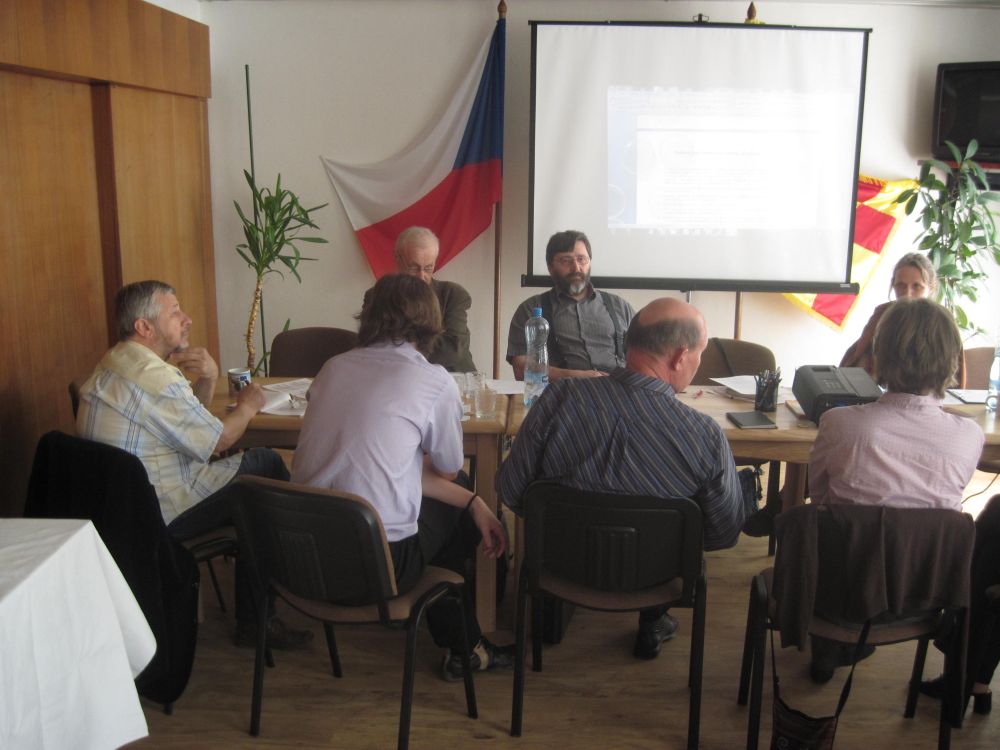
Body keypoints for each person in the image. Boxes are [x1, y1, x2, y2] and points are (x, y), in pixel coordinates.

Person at [498, 297, 755, 660]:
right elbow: (723, 534)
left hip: (559, 570)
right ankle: (653, 620)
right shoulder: (704, 436)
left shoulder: (557, 399)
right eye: (699, 354)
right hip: (656, 579)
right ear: (680, 357)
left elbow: (511, 491)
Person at [293, 273, 511, 680]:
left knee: (455, 501)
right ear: (431, 320)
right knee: (459, 501)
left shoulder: (332, 368)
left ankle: (461, 637)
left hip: (302, 560)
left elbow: (377, 465)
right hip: (378, 569)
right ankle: (464, 642)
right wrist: (473, 502)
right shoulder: (433, 380)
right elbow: (447, 470)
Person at [77, 280, 309, 648]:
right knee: (264, 467)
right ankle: (284, 594)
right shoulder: (157, 379)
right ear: (144, 327)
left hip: (120, 515)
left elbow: (189, 432)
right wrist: (248, 406)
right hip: (160, 513)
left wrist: (210, 378)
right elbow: (218, 441)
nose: (186, 319)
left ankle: (261, 609)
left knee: (254, 489)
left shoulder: (114, 363)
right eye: (174, 312)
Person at [807, 297, 984, 682]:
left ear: (879, 355)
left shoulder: (839, 423)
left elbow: (817, 496)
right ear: (951, 359)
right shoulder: (969, 436)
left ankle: (829, 648)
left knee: (827, 532)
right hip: (921, 597)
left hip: (835, 593)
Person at [506, 230, 635, 380]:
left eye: (582, 259)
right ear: (550, 267)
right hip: (562, 391)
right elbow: (520, 369)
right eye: (566, 261)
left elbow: (647, 357)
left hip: (618, 389)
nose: (576, 268)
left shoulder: (620, 307)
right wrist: (574, 376)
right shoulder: (530, 309)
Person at [841, 252, 967, 387]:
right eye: (901, 285)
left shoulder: (942, 322)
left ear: (931, 288)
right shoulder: (882, 315)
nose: (907, 294)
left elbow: (954, 377)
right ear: (893, 285)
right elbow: (857, 362)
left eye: (916, 286)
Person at [362, 226, 475, 372]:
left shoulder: (453, 295)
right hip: (397, 376)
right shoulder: (376, 295)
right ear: (397, 259)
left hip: (453, 377)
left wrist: (396, 342)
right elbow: (369, 343)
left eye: (428, 268)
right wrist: (428, 339)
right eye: (413, 268)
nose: (421, 276)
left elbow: (452, 349)